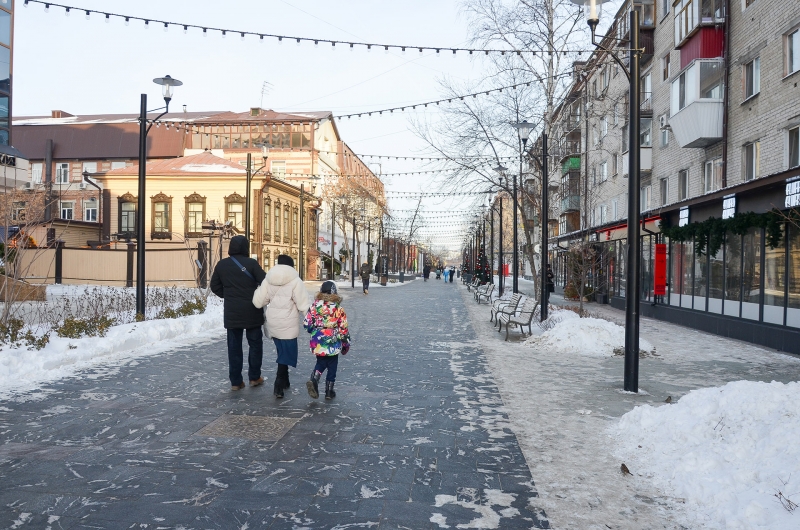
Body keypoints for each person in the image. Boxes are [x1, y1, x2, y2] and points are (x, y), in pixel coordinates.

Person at [210, 235, 267, 391]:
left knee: (234, 347)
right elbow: (265, 282)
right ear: (246, 248)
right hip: (252, 311)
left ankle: (236, 381)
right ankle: (254, 377)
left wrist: (228, 295)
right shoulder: (252, 264)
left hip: (232, 312)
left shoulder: (222, 265)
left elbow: (214, 286)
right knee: (255, 345)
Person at [252, 254, 311, 398]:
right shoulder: (295, 281)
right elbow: (303, 304)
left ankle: (285, 380)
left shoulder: (268, 280)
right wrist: (312, 320)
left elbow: (258, 302)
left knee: (281, 350)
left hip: (273, 322)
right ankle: (278, 383)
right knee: (286, 352)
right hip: (288, 322)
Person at [303, 281, 350, 400]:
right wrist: (345, 342)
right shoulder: (338, 308)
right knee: (332, 364)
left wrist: (314, 330)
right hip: (333, 339)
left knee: (321, 361)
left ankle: (315, 378)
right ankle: (329, 390)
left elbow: (307, 324)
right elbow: (343, 327)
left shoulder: (314, 306)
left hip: (318, 340)